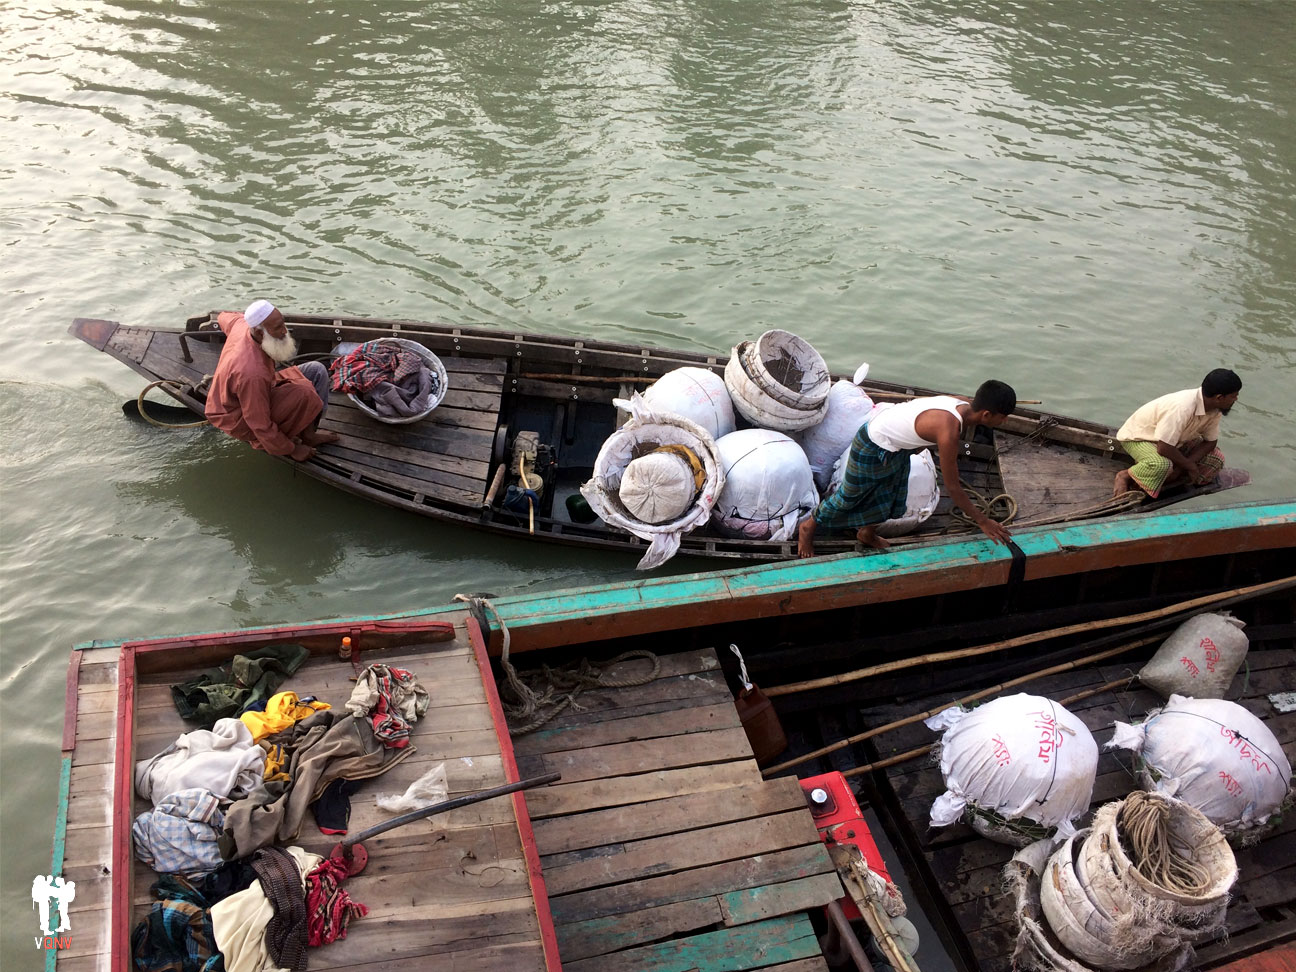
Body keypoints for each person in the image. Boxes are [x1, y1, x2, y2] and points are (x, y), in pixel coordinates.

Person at [797, 380, 1017, 557]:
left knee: (893, 494)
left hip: (897, 449)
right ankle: (809, 527)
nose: (1005, 422)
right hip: (873, 445)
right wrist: (983, 521)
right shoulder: (948, 431)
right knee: (849, 497)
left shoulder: (960, 403)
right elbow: (954, 487)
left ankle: (867, 532)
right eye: (1003, 417)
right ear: (986, 414)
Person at [204, 300, 339, 462]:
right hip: (236, 415)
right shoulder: (252, 373)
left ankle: (309, 434)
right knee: (305, 393)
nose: (284, 331)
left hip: (264, 385)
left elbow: (224, 316)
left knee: (316, 370)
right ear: (260, 333)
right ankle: (285, 439)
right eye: (277, 328)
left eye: (283, 324)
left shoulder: (242, 325)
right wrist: (292, 449)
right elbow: (259, 423)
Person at [1112, 369, 1241, 499]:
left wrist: (1183, 466)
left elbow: (1210, 442)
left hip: (1174, 441)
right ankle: (1125, 476)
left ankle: (1164, 481)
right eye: (1233, 396)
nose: (1236, 399)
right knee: (1161, 465)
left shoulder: (1215, 409)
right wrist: (1189, 466)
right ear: (1219, 397)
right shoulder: (1183, 407)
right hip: (1140, 438)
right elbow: (1164, 448)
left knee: (1217, 459)